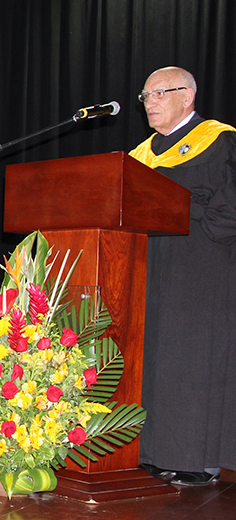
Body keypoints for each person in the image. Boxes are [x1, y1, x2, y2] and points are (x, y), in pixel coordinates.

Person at [130, 66, 236, 486]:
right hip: (148, 267)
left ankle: (196, 459)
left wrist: (181, 210)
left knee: (193, 360)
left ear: (187, 96)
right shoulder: (140, 156)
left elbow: (227, 212)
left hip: (201, 268)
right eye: (146, 96)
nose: (150, 103)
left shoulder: (220, 141)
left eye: (159, 94)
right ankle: (153, 452)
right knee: (151, 358)